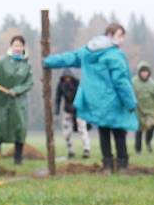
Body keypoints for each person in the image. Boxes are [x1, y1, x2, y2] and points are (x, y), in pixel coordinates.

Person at [43, 23, 138, 172]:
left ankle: (107, 165)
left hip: (97, 101)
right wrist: (130, 101)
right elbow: (121, 81)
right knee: (119, 133)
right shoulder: (115, 55)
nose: (122, 40)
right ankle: (122, 165)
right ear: (110, 35)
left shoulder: (88, 51)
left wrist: (48, 61)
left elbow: (70, 57)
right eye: (120, 36)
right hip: (114, 101)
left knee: (104, 132)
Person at [0, 35, 34, 165]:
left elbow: (29, 83)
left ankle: (18, 159)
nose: (17, 48)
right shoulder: (2, 61)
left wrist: (16, 90)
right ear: (11, 47)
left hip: (18, 102)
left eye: (20, 45)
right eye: (15, 45)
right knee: (1, 128)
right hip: (2, 101)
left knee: (20, 128)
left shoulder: (27, 65)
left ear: (23, 47)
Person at [55, 69, 91, 159]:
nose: (67, 79)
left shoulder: (78, 84)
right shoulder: (60, 85)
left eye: (69, 77)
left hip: (79, 109)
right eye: (66, 77)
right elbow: (58, 98)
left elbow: (84, 96)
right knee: (66, 132)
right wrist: (56, 111)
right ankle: (70, 150)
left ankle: (86, 149)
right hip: (67, 110)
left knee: (82, 129)